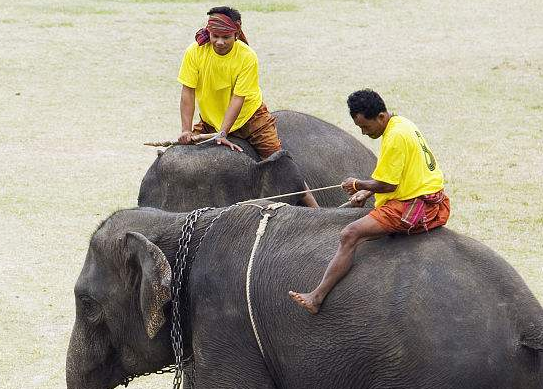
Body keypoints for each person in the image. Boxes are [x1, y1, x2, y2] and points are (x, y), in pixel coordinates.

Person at [289, 90, 450, 314]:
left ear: (381, 117)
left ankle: (316, 298)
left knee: (350, 234)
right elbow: (397, 173)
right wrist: (366, 195)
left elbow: (388, 185)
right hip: (427, 195)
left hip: (416, 205)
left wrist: (358, 185)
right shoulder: (401, 124)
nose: (364, 133)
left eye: (366, 127)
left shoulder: (395, 137)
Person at [176, 6, 320, 209]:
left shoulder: (247, 56)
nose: (219, 42)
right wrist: (186, 129)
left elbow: (238, 98)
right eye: (215, 36)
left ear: (236, 32)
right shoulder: (195, 51)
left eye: (225, 37)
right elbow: (187, 92)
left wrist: (223, 133)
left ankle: (315, 210)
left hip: (250, 118)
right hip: (210, 120)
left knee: (280, 164)